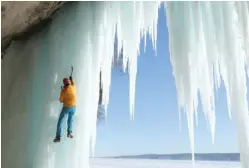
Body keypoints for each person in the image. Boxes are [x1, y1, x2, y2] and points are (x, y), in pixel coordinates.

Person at [54, 70, 76, 143]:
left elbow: (61, 100)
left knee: (60, 121)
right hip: (74, 107)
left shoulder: (64, 91)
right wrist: (71, 79)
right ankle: (69, 132)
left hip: (66, 107)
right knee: (70, 120)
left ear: (64, 84)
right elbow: (73, 83)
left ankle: (58, 137)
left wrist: (62, 90)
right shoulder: (73, 87)